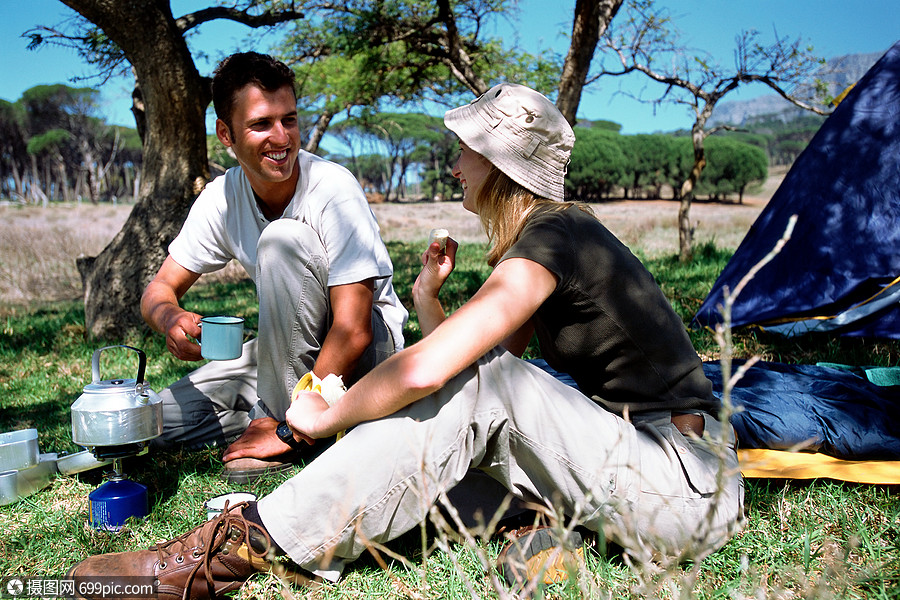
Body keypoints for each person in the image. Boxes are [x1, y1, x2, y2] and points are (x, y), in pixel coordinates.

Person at [69, 83, 743, 598]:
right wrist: (426, 297)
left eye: (465, 150)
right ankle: (524, 526)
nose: (454, 165)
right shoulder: (551, 237)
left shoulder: (555, 238)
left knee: (470, 395)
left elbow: (452, 375)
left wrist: (326, 414)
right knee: (433, 456)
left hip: (686, 486)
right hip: (631, 462)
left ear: (499, 163)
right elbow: (478, 377)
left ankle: (234, 551)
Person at [142, 52, 407, 482]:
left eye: (290, 120)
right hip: (286, 348)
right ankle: (283, 420)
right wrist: (170, 317)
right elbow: (158, 289)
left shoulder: (333, 188)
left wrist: (287, 429)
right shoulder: (221, 197)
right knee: (157, 422)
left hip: (366, 354)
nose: (281, 137)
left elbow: (354, 330)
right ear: (225, 134)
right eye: (262, 124)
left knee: (282, 238)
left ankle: (289, 431)